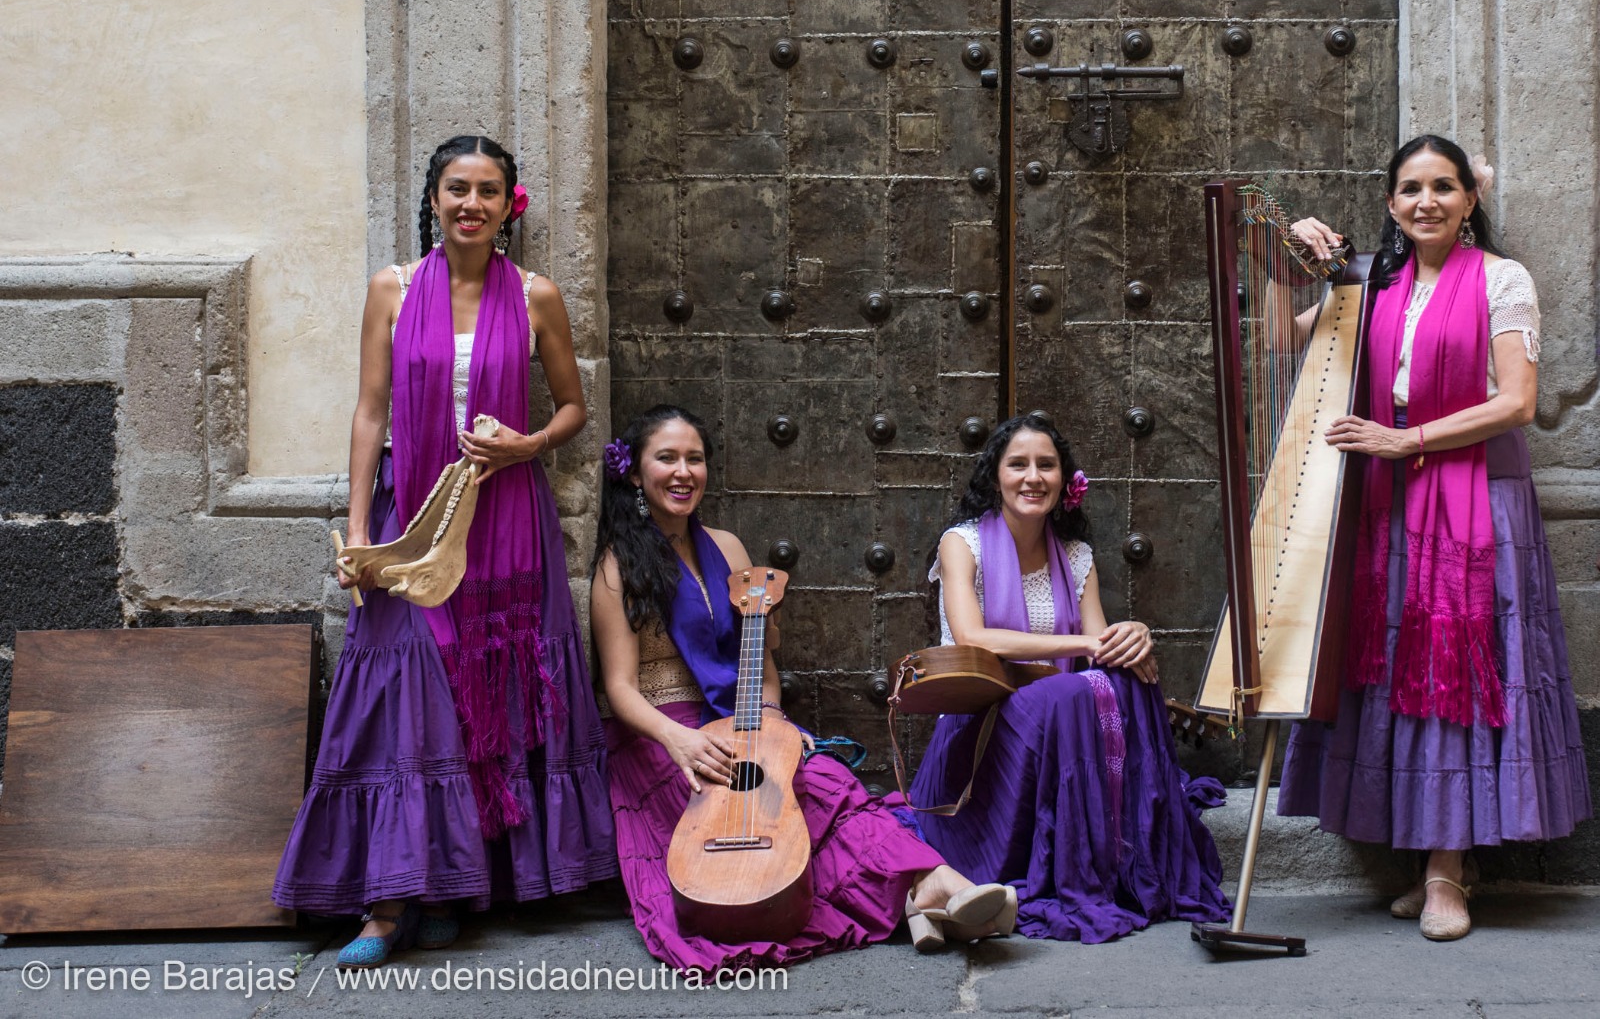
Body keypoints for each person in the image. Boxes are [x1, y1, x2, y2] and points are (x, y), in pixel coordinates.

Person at [273, 135, 617, 965]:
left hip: (506, 519)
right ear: (432, 199)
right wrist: (360, 531)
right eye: (457, 189)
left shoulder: (537, 296)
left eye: (488, 191)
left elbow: (573, 406)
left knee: (488, 695)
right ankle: (388, 903)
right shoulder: (391, 290)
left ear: (510, 205)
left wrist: (529, 443)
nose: (471, 204)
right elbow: (368, 411)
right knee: (406, 691)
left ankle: (455, 892)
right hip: (412, 520)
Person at [1277, 134, 1591, 940]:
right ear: (1390, 203)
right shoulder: (1370, 283)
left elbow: (1518, 402)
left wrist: (1404, 441)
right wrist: (1288, 266)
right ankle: (1427, 855)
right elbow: (1281, 341)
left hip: (1476, 497)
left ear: (1469, 200)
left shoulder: (1501, 280)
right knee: (1399, 674)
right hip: (1388, 500)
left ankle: (1449, 872)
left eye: (1443, 187)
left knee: (1455, 669)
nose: (1427, 202)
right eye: (1411, 188)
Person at [590, 405, 1013, 971]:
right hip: (661, 738)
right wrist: (679, 741)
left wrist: (771, 721)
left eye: (694, 458)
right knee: (735, 813)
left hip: (740, 722)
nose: (683, 471)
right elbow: (618, 688)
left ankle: (931, 884)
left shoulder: (729, 549)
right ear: (637, 473)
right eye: (666, 458)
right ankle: (918, 898)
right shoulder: (619, 565)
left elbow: (759, 660)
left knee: (819, 781)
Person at [909, 413, 1231, 943]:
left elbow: (1103, 652)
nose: (1032, 477)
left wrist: (1134, 637)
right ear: (996, 477)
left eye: (1046, 465)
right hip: (978, 730)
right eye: (1018, 464)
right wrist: (1085, 644)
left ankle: (1107, 858)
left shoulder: (1077, 557)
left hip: (1053, 723)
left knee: (1119, 681)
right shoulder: (962, 544)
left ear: (1064, 481)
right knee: (1066, 692)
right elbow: (973, 637)